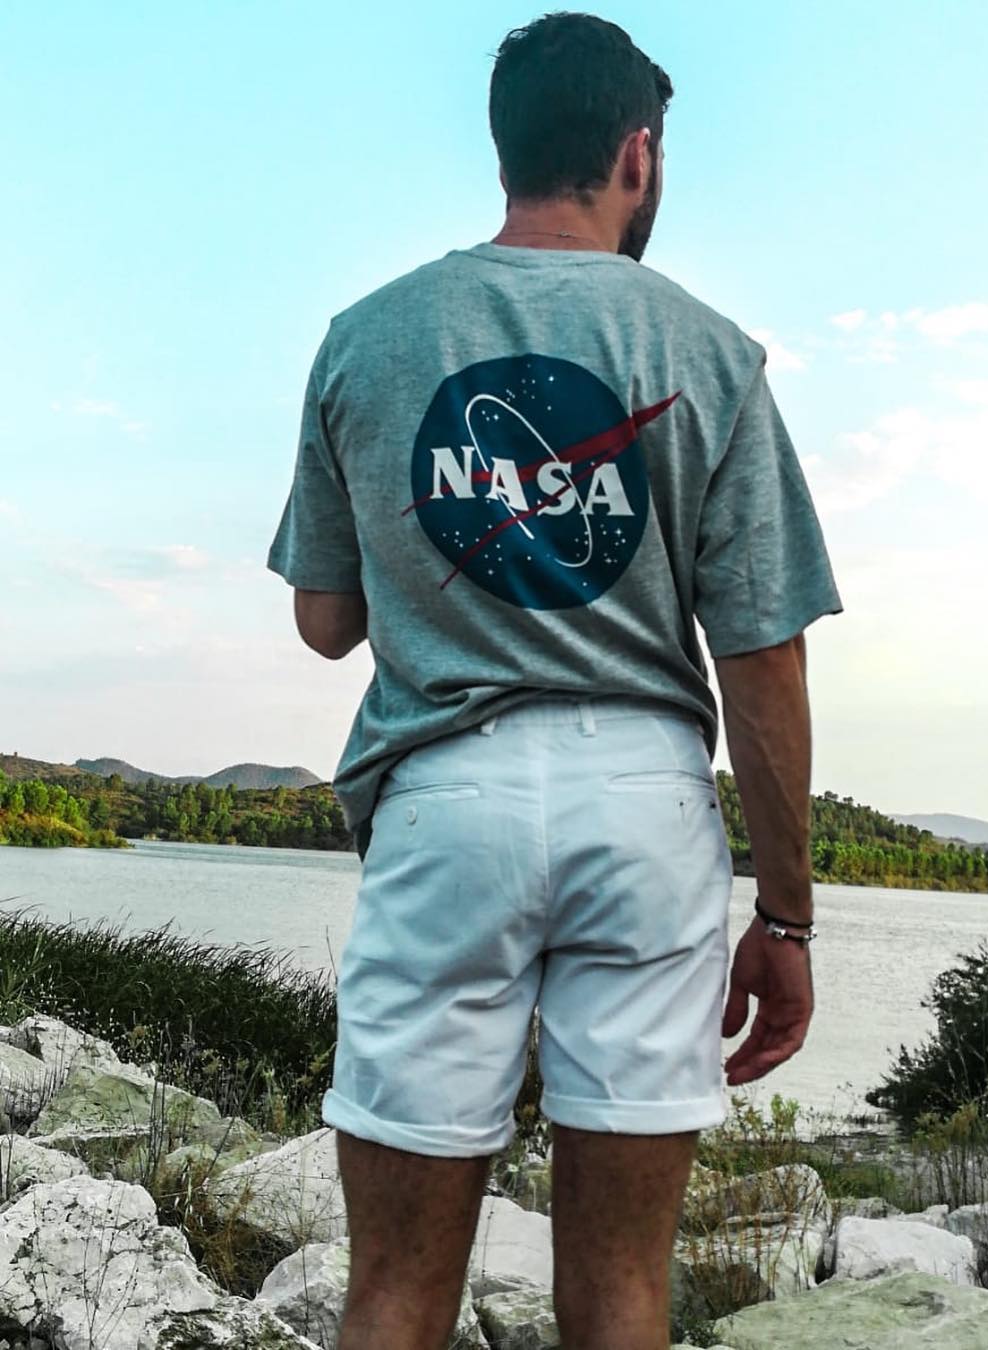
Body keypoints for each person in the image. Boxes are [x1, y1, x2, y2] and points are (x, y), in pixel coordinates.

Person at [267, 12, 842, 1349]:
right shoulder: (712, 353)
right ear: (638, 155)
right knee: (627, 1287)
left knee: (392, 1286)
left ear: (506, 150)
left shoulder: (365, 337)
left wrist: (464, 542)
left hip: (443, 799)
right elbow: (763, 655)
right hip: (645, 808)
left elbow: (324, 620)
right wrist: (789, 914)